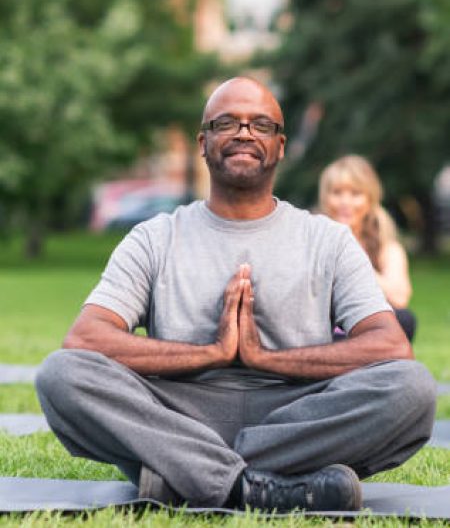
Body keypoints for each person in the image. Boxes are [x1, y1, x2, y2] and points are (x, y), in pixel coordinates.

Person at [36, 77, 436, 514]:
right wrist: (213, 353)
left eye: (260, 125)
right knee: (62, 374)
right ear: (203, 142)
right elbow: (87, 339)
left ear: (280, 146)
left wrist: (265, 359)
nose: (244, 133)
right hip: (179, 413)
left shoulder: (328, 239)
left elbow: (390, 344)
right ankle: (264, 486)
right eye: (227, 122)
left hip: (298, 413)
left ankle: (184, 477)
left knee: (411, 389)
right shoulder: (154, 237)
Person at [319, 155, 417, 342]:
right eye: (337, 192)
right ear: (325, 197)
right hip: (324, 331)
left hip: (365, 329)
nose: (345, 202)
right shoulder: (312, 237)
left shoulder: (386, 247)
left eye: (355, 194)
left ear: (370, 199)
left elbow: (399, 297)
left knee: (404, 319)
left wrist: (349, 252)